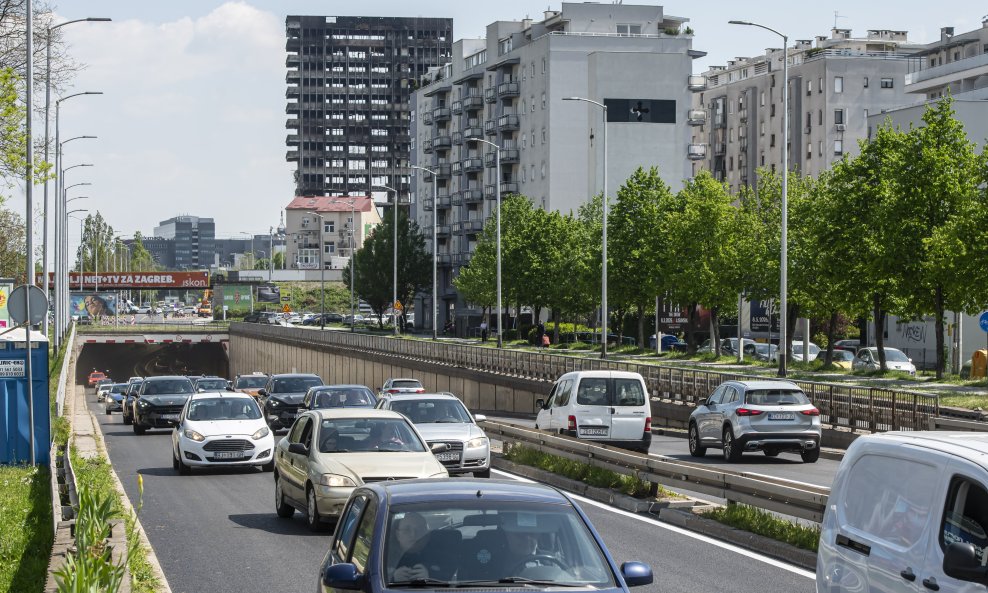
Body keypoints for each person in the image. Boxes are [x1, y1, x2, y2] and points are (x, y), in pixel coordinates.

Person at [391, 512, 432, 581]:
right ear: (398, 535)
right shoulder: (384, 555)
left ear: (427, 534)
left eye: (419, 529)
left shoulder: (438, 557)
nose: (413, 535)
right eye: (407, 530)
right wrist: (392, 577)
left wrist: (430, 578)